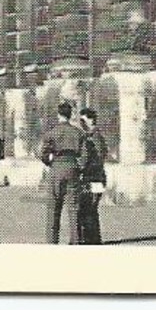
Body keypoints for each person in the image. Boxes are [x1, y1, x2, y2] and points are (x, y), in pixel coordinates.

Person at [39, 100, 85, 244]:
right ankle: (75, 242)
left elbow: (43, 154)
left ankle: (52, 243)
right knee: (74, 209)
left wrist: (50, 162)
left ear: (59, 115)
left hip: (56, 169)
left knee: (53, 209)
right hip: (72, 169)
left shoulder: (51, 133)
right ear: (71, 115)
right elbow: (84, 156)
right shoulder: (79, 133)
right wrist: (79, 167)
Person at [77, 106, 110, 245]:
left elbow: (92, 158)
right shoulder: (96, 136)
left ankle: (91, 240)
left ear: (89, 120)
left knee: (88, 208)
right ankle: (93, 239)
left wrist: (81, 167)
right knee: (91, 209)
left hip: (92, 178)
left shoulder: (92, 137)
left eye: (82, 120)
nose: (80, 123)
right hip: (97, 177)